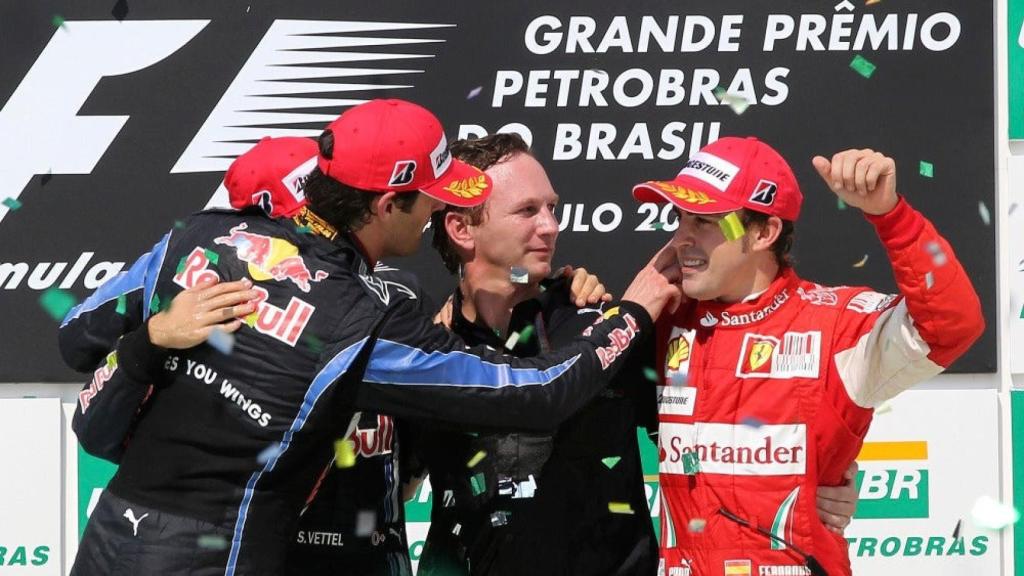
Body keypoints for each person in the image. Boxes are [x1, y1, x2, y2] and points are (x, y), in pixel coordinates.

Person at [61, 98, 681, 576]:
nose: (438, 213)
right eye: (430, 201)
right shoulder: (360, 319)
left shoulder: (198, 236)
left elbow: (75, 338)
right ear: (388, 204)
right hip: (214, 555)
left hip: (113, 532)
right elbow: (538, 392)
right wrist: (637, 309)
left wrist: (149, 338)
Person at [632, 137, 984, 576]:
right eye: (680, 218)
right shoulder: (660, 320)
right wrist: (616, 312)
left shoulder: (835, 326)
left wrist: (892, 217)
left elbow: (952, 326)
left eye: (704, 221)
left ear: (763, 232)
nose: (681, 238)